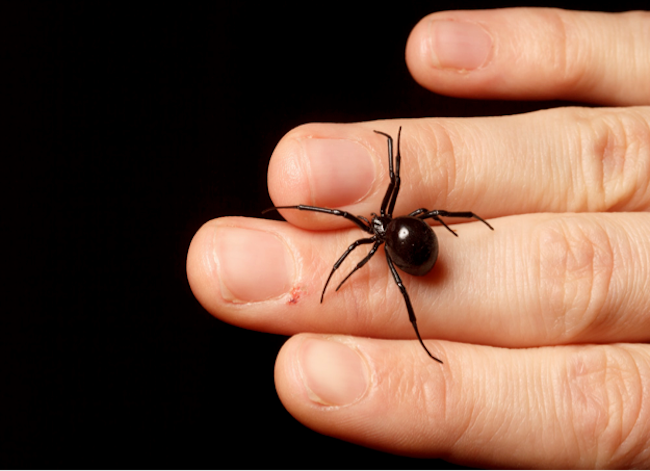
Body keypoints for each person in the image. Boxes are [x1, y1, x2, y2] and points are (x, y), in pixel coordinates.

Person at [187, 8, 650, 469]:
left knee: (395, 249)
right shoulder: (380, 233)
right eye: (373, 225)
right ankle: (420, 322)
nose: (371, 222)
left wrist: (405, 169)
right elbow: (381, 205)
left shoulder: (378, 235)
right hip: (414, 240)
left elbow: (393, 183)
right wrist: (339, 268)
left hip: (415, 242)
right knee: (395, 262)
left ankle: (423, 306)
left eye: (374, 222)